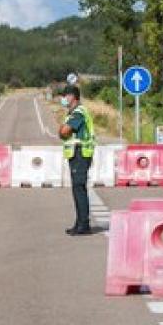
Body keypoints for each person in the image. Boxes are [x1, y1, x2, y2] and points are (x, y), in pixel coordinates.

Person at [58, 84, 95, 235]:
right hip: (77, 154)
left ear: (73, 96)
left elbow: (65, 131)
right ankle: (79, 222)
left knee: (79, 189)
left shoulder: (78, 112)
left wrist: (62, 130)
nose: (64, 99)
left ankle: (83, 224)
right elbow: (63, 131)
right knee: (77, 189)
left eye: (66, 95)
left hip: (80, 153)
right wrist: (62, 130)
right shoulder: (73, 112)